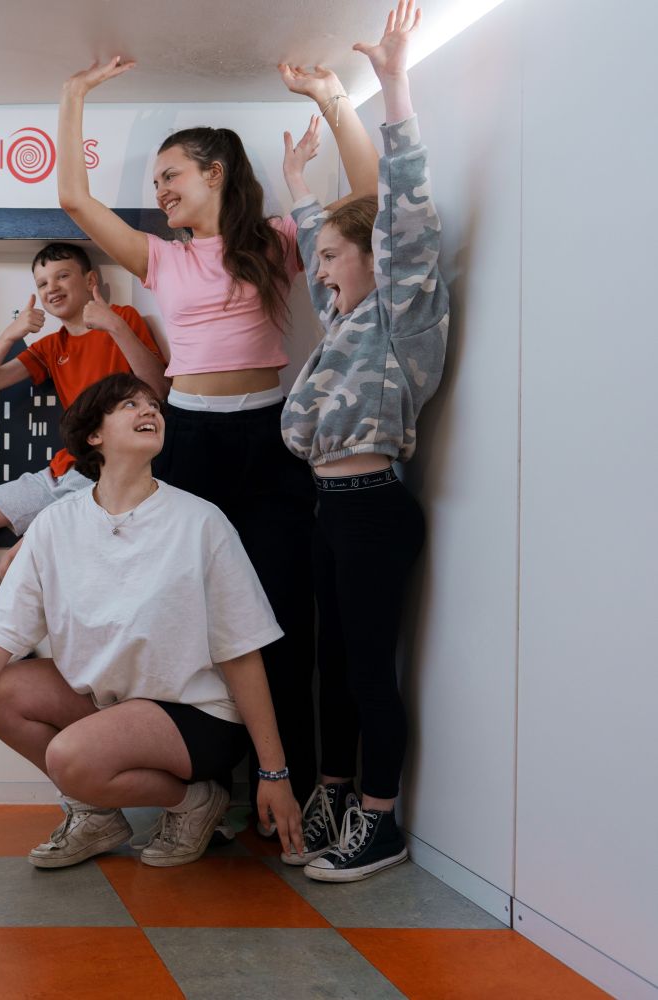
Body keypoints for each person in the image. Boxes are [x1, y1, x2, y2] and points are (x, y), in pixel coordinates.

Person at [54, 51, 380, 819]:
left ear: (216, 173)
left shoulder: (276, 240)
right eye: (155, 180)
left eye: (171, 174)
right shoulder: (160, 257)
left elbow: (369, 198)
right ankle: (212, 791)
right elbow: (73, 198)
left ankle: (292, 792)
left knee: (283, 621)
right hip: (191, 444)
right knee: (185, 620)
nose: (160, 190)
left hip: (270, 442)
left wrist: (331, 96)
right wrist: (74, 92)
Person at [0, 373, 305, 869]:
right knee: (0, 693)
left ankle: (196, 802)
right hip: (113, 706)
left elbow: (242, 651)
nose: (149, 410)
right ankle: (96, 816)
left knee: (70, 756)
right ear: (93, 435)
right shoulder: (56, 524)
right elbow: (1, 633)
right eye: (130, 404)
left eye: (154, 405)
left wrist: (274, 772)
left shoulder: (200, 521)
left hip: (198, 713)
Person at [277, 0, 446, 882]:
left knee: (370, 672)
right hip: (330, 510)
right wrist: (298, 188)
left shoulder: (400, 314)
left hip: (374, 508)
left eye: (338, 258)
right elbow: (325, 255)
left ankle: (380, 823)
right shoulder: (347, 320)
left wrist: (392, 84)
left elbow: (405, 211)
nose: (324, 273)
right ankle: (337, 794)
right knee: (332, 668)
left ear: (377, 262)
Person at [0, 243, 167, 621]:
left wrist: (113, 325)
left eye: (62, 276)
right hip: (62, 471)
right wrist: (10, 335)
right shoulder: (50, 346)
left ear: (90, 281)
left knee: (14, 566)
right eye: (42, 283)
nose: (52, 288)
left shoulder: (123, 318)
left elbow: (158, 389)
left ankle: (6, 639)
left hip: (102, 475)